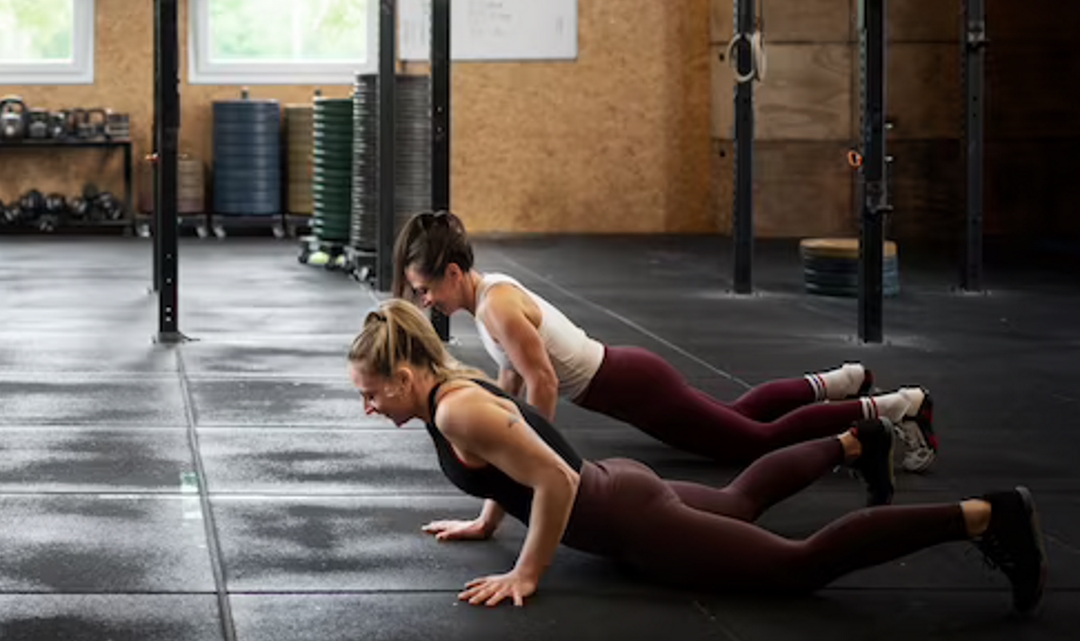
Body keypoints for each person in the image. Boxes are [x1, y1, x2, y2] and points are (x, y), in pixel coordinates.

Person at [345, 300, 1044, 614]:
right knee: (741, 500)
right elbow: (513, 463)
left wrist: (527, 571)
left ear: (405, 378)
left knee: (799, 567)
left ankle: (989, 517)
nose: (369, 408)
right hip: (623, 492)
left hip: (628, 521)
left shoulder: (457, 406)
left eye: (373, 394)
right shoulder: (452, 391)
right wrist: (488, 521)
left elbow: (552, 476)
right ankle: (859, 443)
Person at [391, 211, 939, 470]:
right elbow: (513, 381)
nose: (425, 302)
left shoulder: (500, 307)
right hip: (632, 381)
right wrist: (501, 423)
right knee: (741, 415)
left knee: (755, 444)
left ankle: (894, 407)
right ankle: (839, 382)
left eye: (426, 289)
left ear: (455, 273)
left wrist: (532, 454)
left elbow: (543, 382)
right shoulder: (488, 304)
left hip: (635, 386)